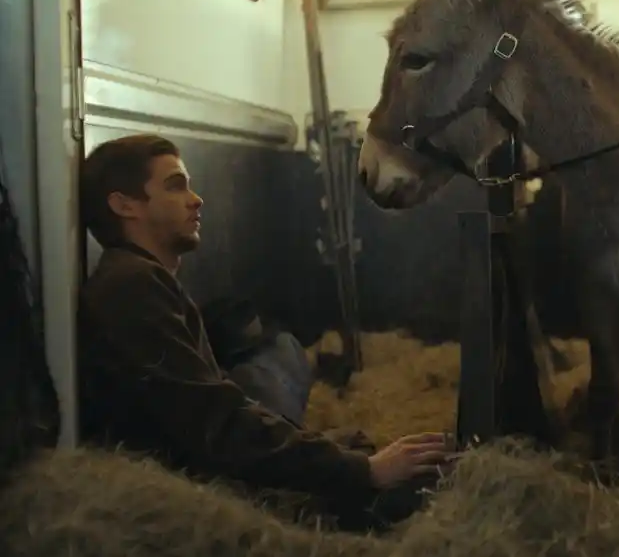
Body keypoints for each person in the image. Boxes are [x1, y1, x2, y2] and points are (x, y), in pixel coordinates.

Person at [77, 133, 450, 531]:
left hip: (204, 467)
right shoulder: (131, 286)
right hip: (187, 496)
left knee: (354, 440)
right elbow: (216, 424)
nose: (196, 199)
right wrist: (362, 471)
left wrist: (344, 458)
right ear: (124, 205)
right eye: (175, 186)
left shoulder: (142, 278)